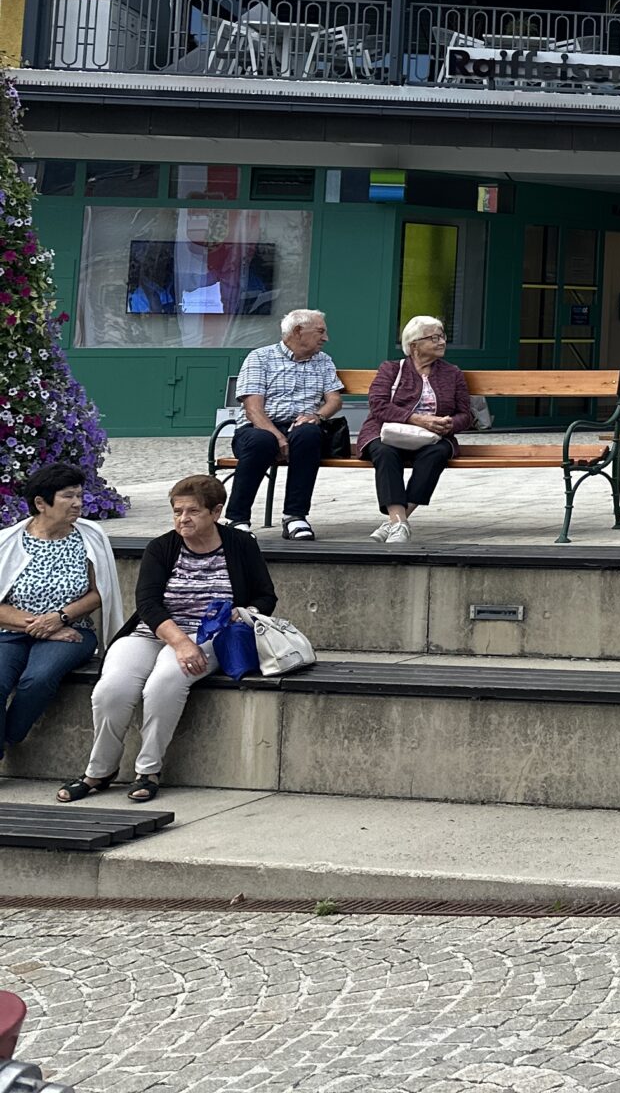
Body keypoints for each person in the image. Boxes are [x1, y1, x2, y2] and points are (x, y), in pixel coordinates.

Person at [58, 475, 275, 805]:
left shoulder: (240, 544)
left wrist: (245, 612)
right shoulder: (161, 547)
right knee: (111, 689)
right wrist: (180, 642)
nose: (183, 519)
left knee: (164, 684)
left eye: (193, 511)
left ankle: (148, 770)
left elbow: (266, 596)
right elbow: (147, 604)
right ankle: (99, 771)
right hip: (154, 631)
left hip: (209, 634)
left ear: (216, 512)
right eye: (177, 511)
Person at [0, 462, 119, 769]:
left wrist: (60, 618)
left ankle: (9, 736)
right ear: (41, 503)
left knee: (37, 678)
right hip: (11, 632)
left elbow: (99, 592)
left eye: (79, 495)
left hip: (74, 631)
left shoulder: (89, 537)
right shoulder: (8, 541)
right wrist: (43, 625)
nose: (78, 503)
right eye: (68, 496)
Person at [225, 307, 343, 542]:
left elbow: (335, 400)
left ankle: (295, 517)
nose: (326, 338)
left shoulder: (323, 361)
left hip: (300, 426)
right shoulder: (260, 358)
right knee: (262, 441)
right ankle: (236, 519)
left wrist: (317, 416)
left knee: (309, 435)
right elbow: (253, 409)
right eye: (320, 331)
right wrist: (278, 437)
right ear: (298, 331)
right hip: (258, 427)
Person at [356, 314, 471, 545]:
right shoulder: (391, 369)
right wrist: (417, 419)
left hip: (433, 437)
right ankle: (399, 522)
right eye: (434, 338)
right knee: (385, 453)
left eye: (442, 336)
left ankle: (396, 522)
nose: (442, 342)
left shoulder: (452, 373)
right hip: (386, 432)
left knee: (437, 454)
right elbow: (378, 405)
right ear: (414, 345)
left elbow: (466, 415)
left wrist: (450, 423)